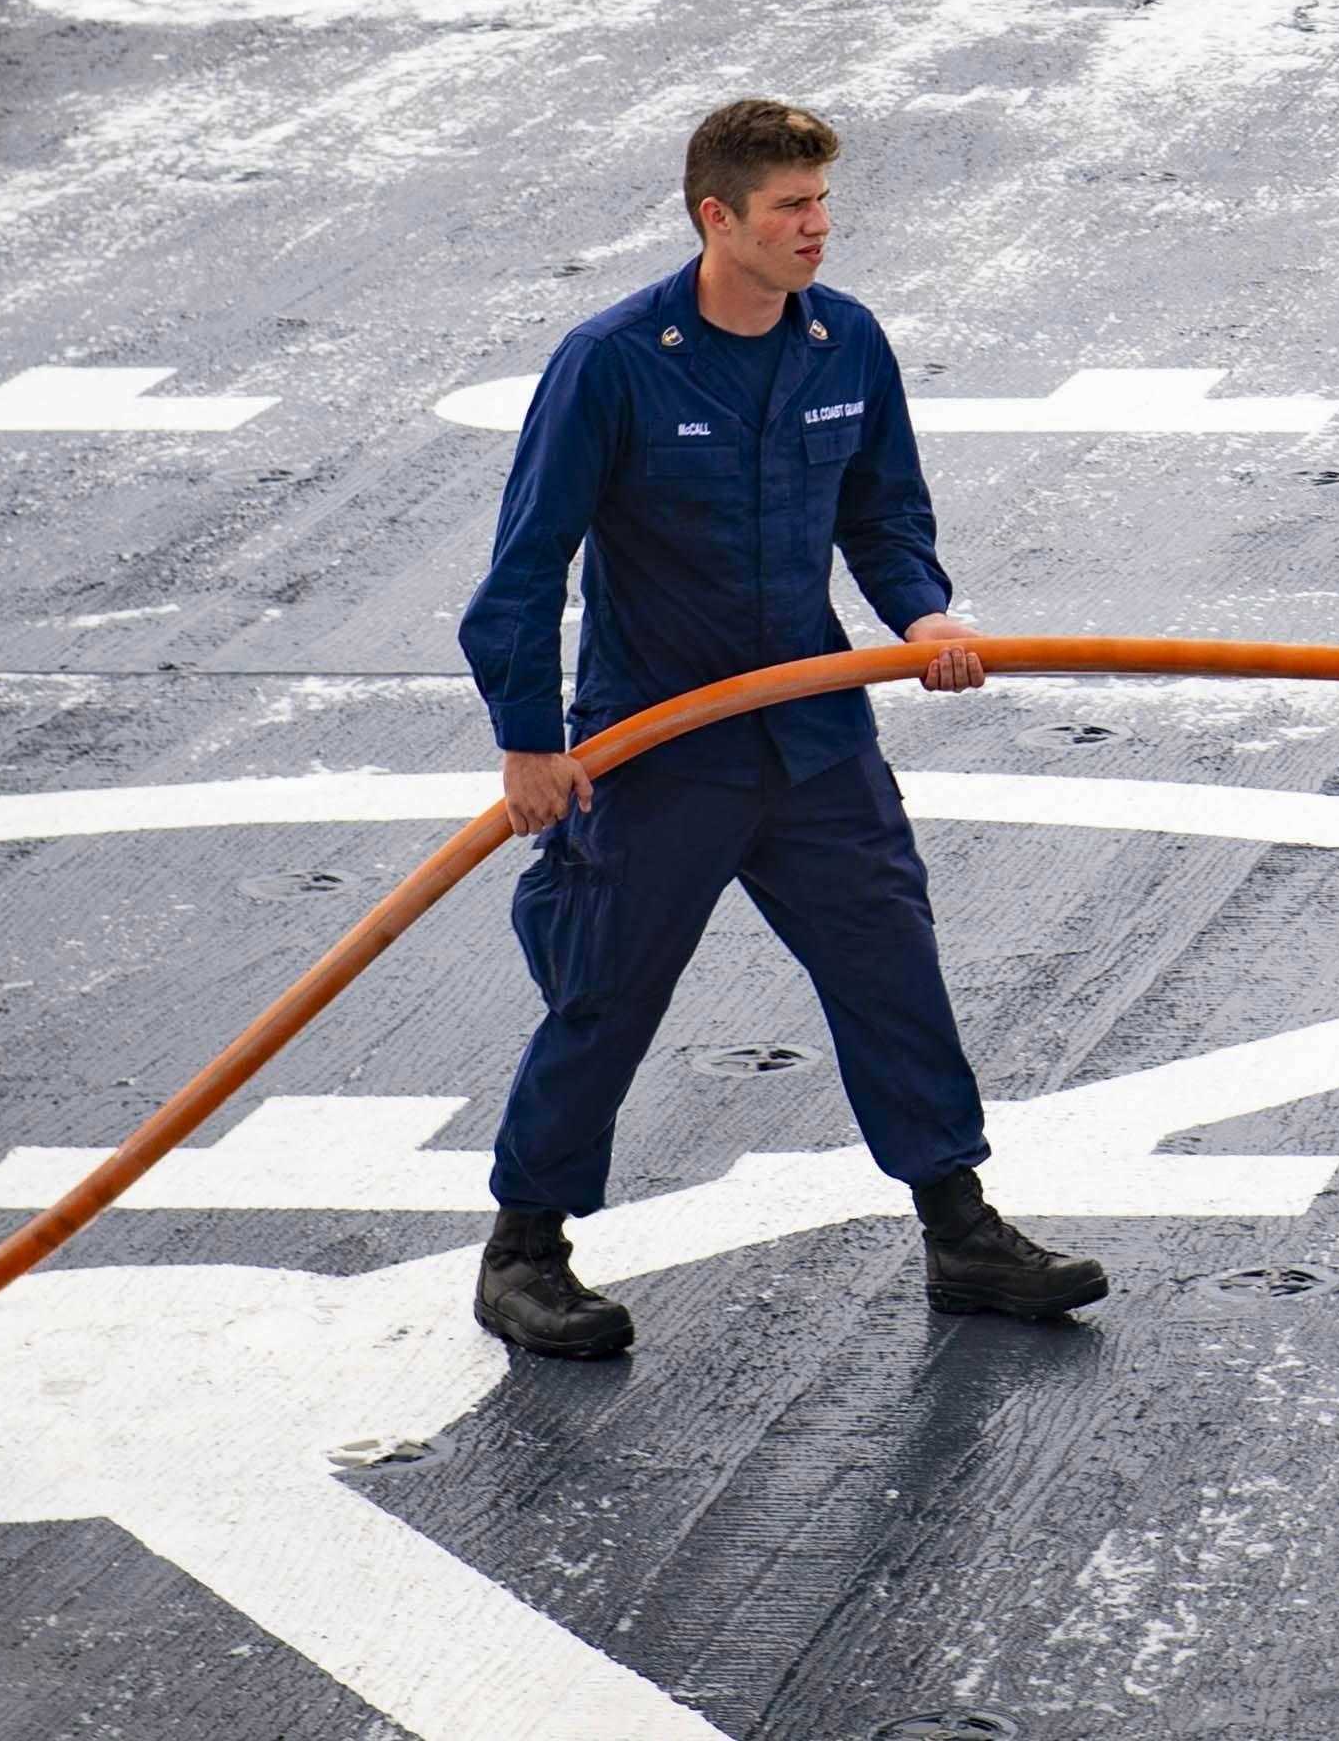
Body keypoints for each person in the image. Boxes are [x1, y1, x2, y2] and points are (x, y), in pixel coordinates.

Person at [454, 96, 1110, 1359]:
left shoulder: (844, 343)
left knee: (892, 971)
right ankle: (523, 1249)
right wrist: (530, 738)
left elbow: (886, 514)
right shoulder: (614, 361)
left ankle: (960, 1230)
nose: (820, 228)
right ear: (719, 218)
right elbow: (527, 566)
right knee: (605, 991)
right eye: (792, 208)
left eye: (822, 203)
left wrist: (921, 616)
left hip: (813, 741)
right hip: (659, 750)